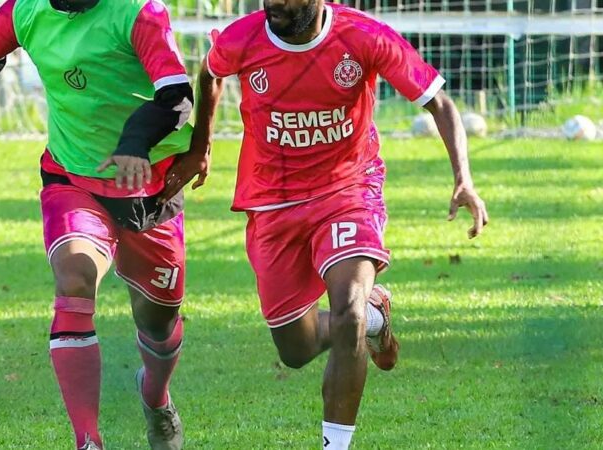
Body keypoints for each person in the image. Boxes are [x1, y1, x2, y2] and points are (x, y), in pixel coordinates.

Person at [160, 1, 490, 448]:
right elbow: (212, 72)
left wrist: (464, 179)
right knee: (294, 350)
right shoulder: (244, 38)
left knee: (347, 309)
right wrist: (201, 143)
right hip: (272, 203)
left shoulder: (364, 37)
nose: (272, 3)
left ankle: (337, 435)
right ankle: (375, 318)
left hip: (347, 192)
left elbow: (440, 104)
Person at [0, 1, 199, 449]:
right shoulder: (24, 11)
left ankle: (156, 396)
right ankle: (88, 441)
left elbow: (177, 97)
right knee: (74, 280)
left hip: (150, 187)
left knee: (159, 324)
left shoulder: (138, 13)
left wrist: (133, 144)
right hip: (72, 178)